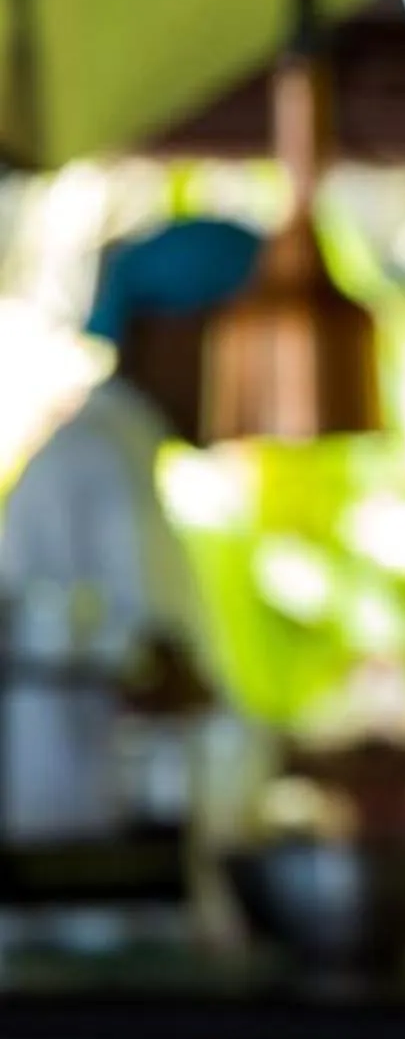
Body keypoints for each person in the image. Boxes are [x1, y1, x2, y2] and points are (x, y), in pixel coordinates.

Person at [0, 218, 258, 843]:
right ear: (169, 331)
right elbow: (163, 676)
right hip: (75, 870)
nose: (258, 381)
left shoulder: (115, 457)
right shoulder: (93, 464)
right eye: (245, 345)